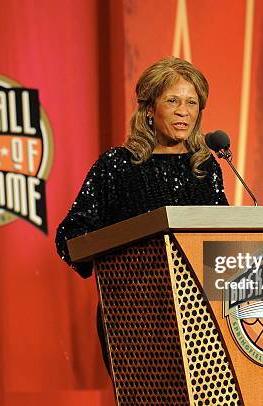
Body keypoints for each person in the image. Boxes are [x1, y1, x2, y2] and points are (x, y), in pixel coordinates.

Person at [55, 56, 228, 371]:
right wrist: (121, 247)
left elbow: (222, 240)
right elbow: (71, 235)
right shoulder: (118, 165)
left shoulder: (205, 168)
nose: (183, 111)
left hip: (201, 317)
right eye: (172, 100)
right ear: (150, 108)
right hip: (134, 315)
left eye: (192, 103)